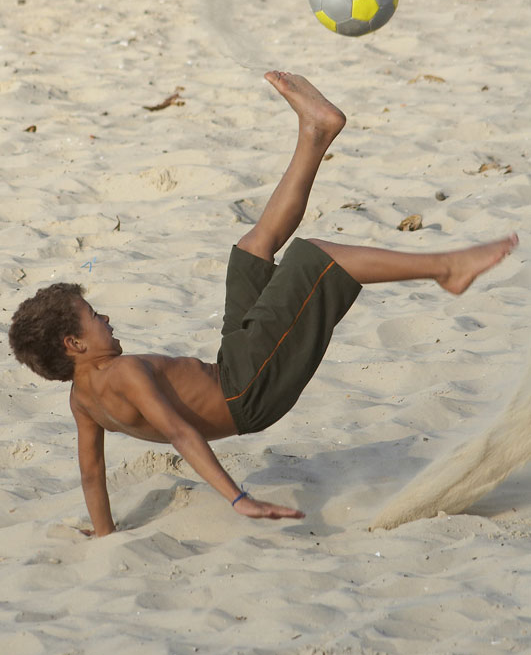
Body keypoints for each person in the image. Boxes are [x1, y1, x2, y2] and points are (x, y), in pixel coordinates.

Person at [8, 71, 518, 537]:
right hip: (247, 389)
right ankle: (446, 268)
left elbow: (91, 473)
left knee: (251, 251)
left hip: (235, 366)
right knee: (315, 257)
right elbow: (182, 434)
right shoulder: (126, 373)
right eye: (94, 317)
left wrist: (104, 532)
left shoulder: (83, 399)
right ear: (74, 343)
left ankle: (316, 133)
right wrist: (239, 498)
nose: (107, 318)